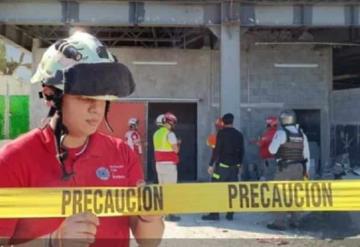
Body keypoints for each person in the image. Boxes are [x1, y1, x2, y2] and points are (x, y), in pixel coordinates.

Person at [0, 31, 164, 247]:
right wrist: (54, 242)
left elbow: (150, 241)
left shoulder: (122, 154)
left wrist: (149, 216)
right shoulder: (13, 160)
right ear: (51, 95)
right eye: (84, 97)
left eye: (102, 97)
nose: (96, 108)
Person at [267, 109, 310, 231]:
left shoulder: (281, 133)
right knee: (296, 194)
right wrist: (306, 171)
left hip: (285, 167)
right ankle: (295, 220)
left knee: (279, 194)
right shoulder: (301, 134)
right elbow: (306, 154)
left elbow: (272, 150)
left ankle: (279, 222)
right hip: (300, 167)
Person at [202, 113, 244, 221]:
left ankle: (214, 214)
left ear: (223, 122)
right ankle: (230, 214)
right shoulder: (239, 135)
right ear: (232, 121)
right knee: (232, 191)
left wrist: (211, 164)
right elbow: (242, 152)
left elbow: (217, 150)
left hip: (221, 168)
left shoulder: (221, 134)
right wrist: (239, 165)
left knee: (215, 189)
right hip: (234, 168)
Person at [153, 112, 181, 222]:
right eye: (173, 122)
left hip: (159, 164)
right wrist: (178, 143)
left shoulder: (156, 134)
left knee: (162, 189)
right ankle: (171, 214)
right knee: (171, 190)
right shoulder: (170, 134)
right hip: (169, 165)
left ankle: (162, 213)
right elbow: (176, 150)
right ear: (170, 122)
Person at [253, 116, 278, 180]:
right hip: (276, 160)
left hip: (268, 160)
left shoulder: (267, 134)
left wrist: (254, 141)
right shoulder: (279, 133)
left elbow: (260, 143)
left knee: (265, 177)